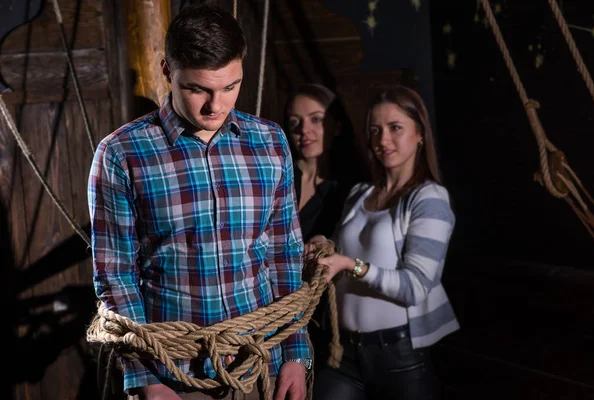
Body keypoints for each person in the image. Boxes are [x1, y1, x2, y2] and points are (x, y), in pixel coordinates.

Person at [88, 5, 310, 400]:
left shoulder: (271, 142)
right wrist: (146, 380)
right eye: (198, 89)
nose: (216, 106)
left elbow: (283, 255)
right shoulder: (121, 154)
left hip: (258, 367)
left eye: (230, 86)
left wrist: (295, 354)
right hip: (173, 376)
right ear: (167, 72)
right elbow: (116, 275)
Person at [309, 86, 459, 400]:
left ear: (420, 134)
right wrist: (324, 244)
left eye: (395, 128)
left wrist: (351, 265)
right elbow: (339, 249)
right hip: (344, 353)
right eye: (375, 130)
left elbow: (415, 287)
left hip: (399, 357)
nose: (383, 140)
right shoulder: (360, 193)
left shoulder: (429, 198)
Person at [283, 84, 364, 372]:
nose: (304, 130)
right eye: (295, 123)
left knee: (310, 376)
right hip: (276, 308)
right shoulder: (278, 179)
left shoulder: (353, 189)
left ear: (337, 125)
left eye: (316, 119)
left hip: (320, 314)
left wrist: (324, 241)